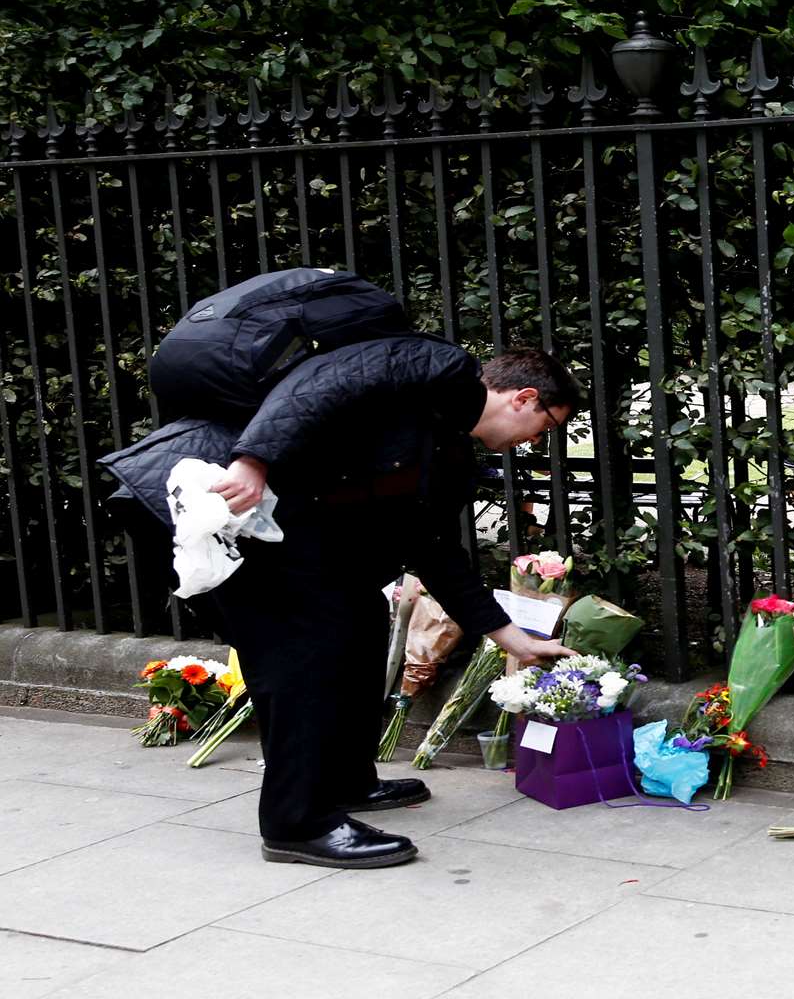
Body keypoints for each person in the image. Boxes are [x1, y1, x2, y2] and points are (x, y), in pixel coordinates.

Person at [113, 339, 582, 868]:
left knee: (360, 631)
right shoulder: (432, 372)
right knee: (300, 664)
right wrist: (254, 460)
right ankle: (297, 824)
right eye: (542, 427)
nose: (532, 441)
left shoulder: (446, 445)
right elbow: (318, 385)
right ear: (522, 398)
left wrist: (510, 637)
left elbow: (433, 548)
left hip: (288, 534)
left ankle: (346, 782)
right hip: (223, 507)